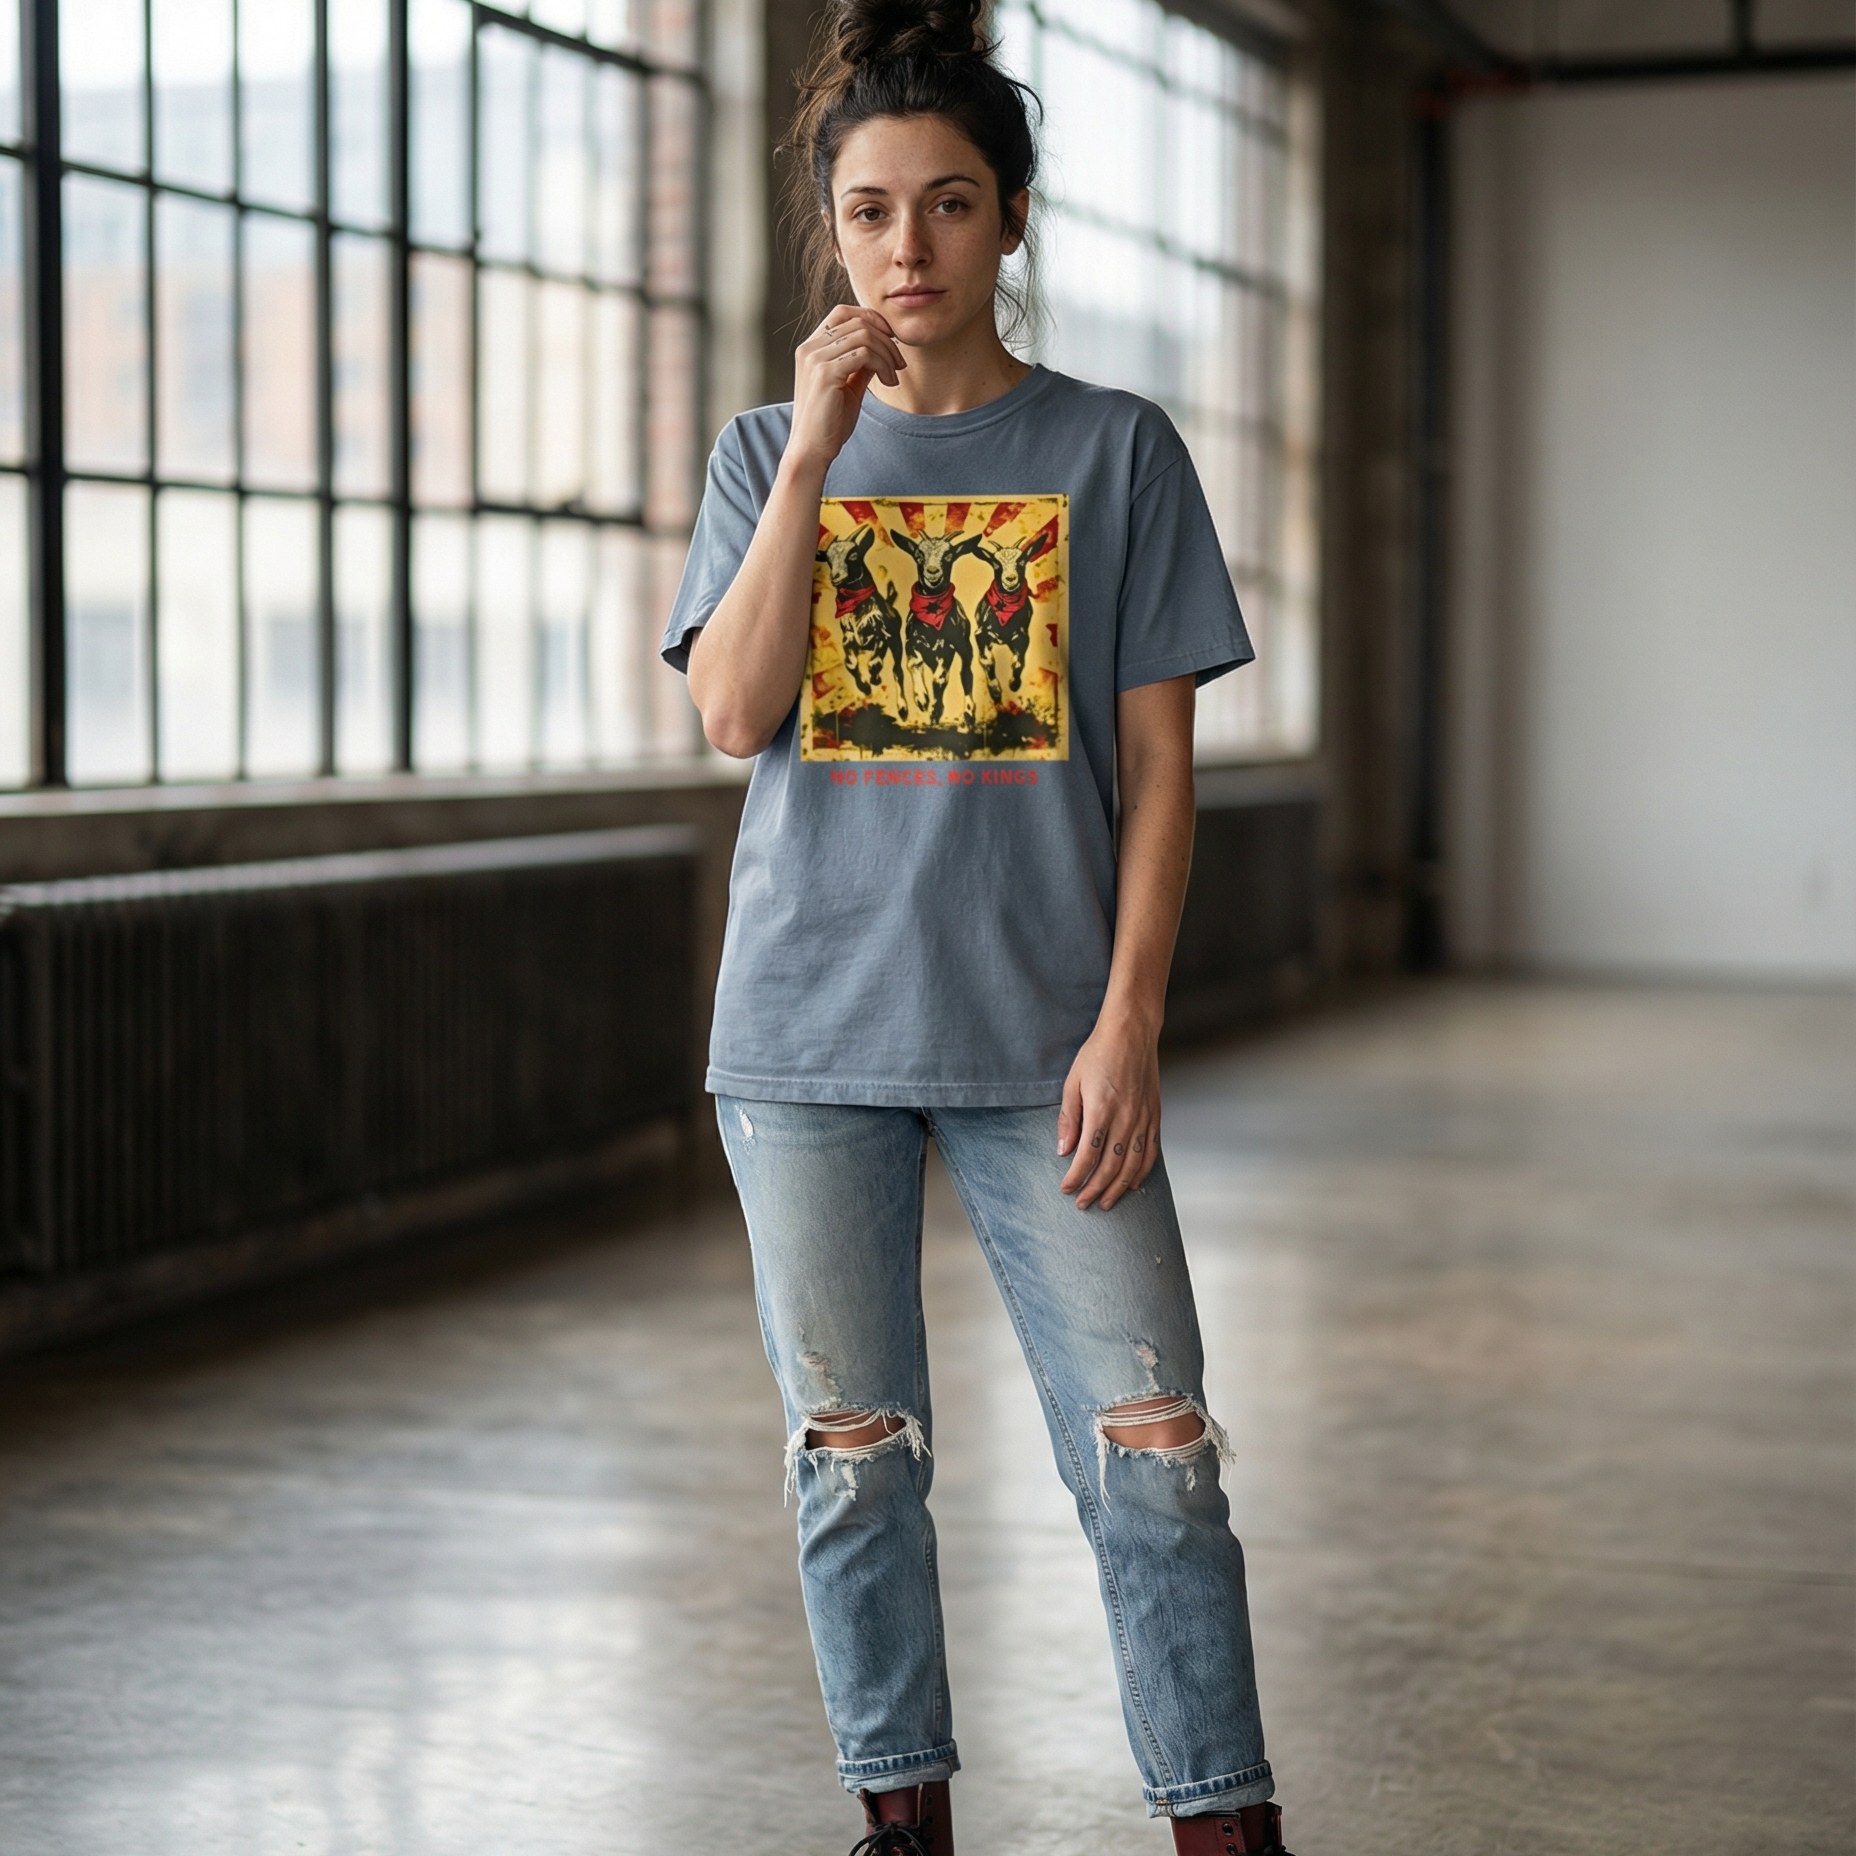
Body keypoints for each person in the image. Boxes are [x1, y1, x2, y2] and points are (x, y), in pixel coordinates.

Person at [661, 5, 1290, 1852]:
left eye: (946, 208)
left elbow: (1162, 778)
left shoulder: (1116, 450)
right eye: (868, 215)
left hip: (1049, 1041)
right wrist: (810, 465)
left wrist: (1132, 1024)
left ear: (1010, 220)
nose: (905, 252)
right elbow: (735, 713)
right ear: (831, 236)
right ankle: (902, 1826)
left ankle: (1225, 1826)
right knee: (853, 1469)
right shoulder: (766, 450)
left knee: (1156, 1454)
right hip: (806, 1031)